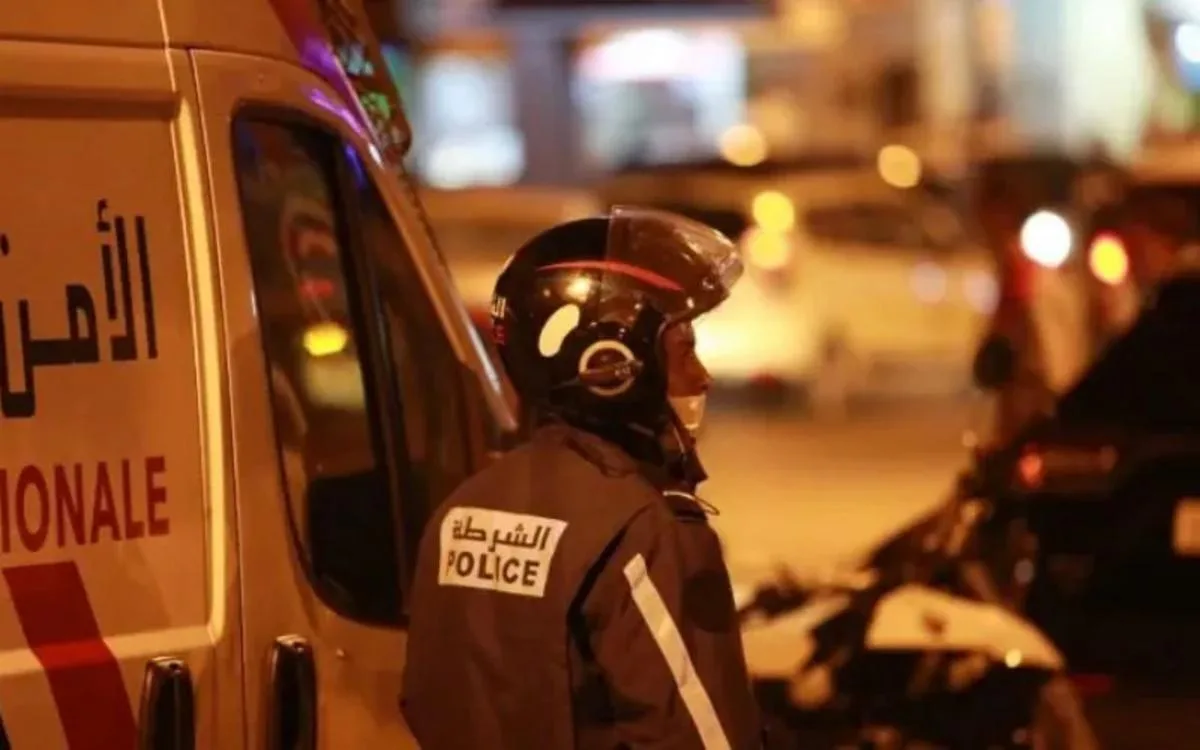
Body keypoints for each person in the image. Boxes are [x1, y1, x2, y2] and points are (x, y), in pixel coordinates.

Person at [401, 207, 764, 750]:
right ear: (613, 366)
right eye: (684, 350)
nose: (702, 376)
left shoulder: (462, 511)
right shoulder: (642, 529)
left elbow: (426, 702)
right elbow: (701, 736)